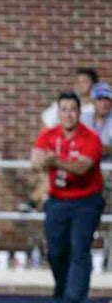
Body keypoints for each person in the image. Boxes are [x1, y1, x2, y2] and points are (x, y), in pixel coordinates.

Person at [32, 91, 104, 303]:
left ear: (79, 113)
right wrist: (42, 160)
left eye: (72, 110)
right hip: (57, 201)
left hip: (86, 201)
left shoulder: (90, 138)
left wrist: (54, 161)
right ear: (58, 112)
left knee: (79, 250)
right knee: (55, 252)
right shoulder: (49, 135)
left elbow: (82, 167)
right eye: (63, 110)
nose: (68, 115)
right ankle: (62, 298)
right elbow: (35, 162)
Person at [19, 68, 99, 212]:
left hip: (85, 157)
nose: (81, 85)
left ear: (93, 85)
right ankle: (39, 198)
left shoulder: (96, 107)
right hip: (61, 151)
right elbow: (45, 126)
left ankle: (35, 199)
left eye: (85, 81)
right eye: (78, 81)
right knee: (43, 169)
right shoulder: (64, 104)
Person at [81, 82, 112, 159]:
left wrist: (108, 149)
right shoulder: (83, 117)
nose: (104, 104)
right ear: (93, 101)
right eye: (99, 99)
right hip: (85, 163)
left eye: (107, 99)